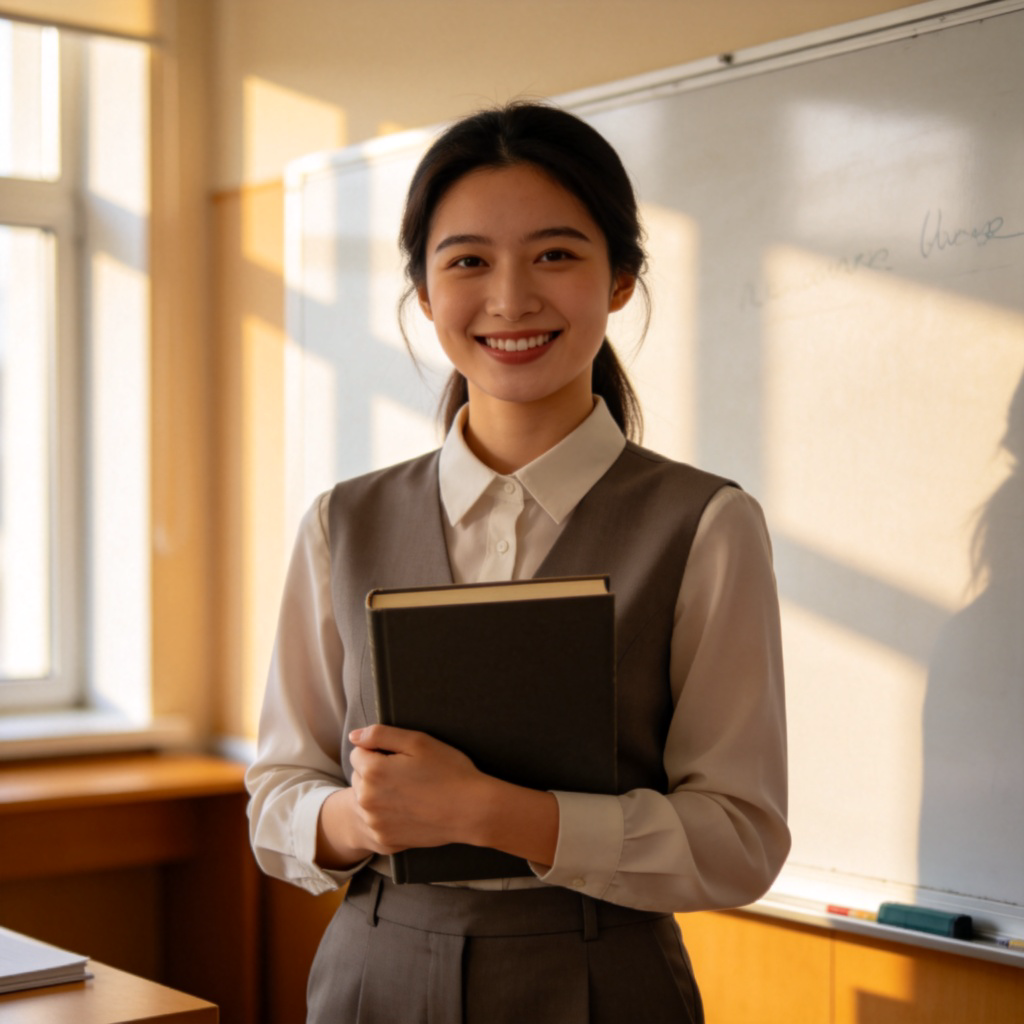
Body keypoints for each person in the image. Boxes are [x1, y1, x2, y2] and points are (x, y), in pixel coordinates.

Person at [246, 101, 790, 1024]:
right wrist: (355, 821)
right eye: (467, 261)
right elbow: (278, 796)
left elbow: (738, 839)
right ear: (423, 292)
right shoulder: (343, 521)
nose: (509, 299)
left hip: (603, 977)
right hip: (374, 972)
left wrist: (492, 813)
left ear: (619, 279)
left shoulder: (705, 523)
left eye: (555, 254)